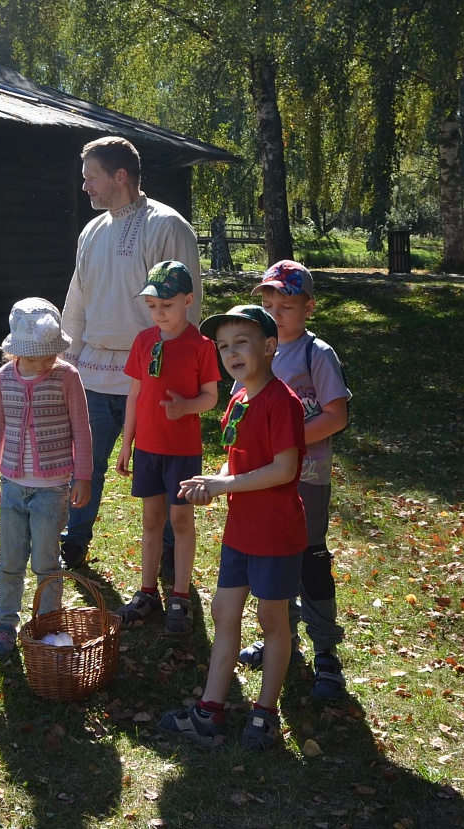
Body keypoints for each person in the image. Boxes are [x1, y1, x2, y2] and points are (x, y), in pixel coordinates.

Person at [159, 304, 307, 751]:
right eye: (223, 346)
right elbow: (237, 459)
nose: (231, 353)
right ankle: (210, 712)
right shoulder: (238, 400)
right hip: (240, 531)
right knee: (225, 613)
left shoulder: (283, 402)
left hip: (277, 533)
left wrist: (225, 484)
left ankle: (265, 715)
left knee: (270, 619)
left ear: (268, 345)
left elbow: (284, 469)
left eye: (241, 342)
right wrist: (213, 480)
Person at [60, 135, 202, 570]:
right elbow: (78, 301)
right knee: (84, 462)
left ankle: (167, 551)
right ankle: (74, 537)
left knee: (161, 470)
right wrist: (66, 360)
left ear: (120, 176)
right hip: (95, 372)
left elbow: (187, 305)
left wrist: (181, 371)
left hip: (153, 375)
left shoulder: (168, 226)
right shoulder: (91, 231)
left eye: (91, 177)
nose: (85, 186)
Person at [237, 259, 353, 700]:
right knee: (272, 559)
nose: (276, 310)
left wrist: (288, 442)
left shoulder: (315, 354)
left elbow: (336, 416)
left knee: (308, 558)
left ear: (309, 308)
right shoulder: (257, 349)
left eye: (286, 303)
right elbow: (240, 408)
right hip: (262, 478)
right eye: (268, 302)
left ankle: (326, 652)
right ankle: (278, 641)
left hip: (306, 476)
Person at [0, 299, 92, 657]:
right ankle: (4, 624)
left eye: (48, 355)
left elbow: (81, 429)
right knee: (10, 560)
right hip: (13, 486)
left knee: (46, 562)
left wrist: (83, 476)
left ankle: (48, 623)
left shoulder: (67, 376)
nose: (43, 362)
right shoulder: (3, 379)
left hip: (52, 490)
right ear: (16, 352)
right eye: (33, 357)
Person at [113, 261, 220, 635]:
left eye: (167, 305)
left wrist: (185, 407)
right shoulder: (143, 341)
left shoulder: (201, 346)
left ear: (188, 300)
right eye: (153, 306)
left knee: (181, 520)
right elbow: (135, 395)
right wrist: (127, 445)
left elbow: (210, 397)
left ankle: (180, 595)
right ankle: (147, 593)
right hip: (148, 449)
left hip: (182, 451)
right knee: (151, 520)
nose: (159, 313)